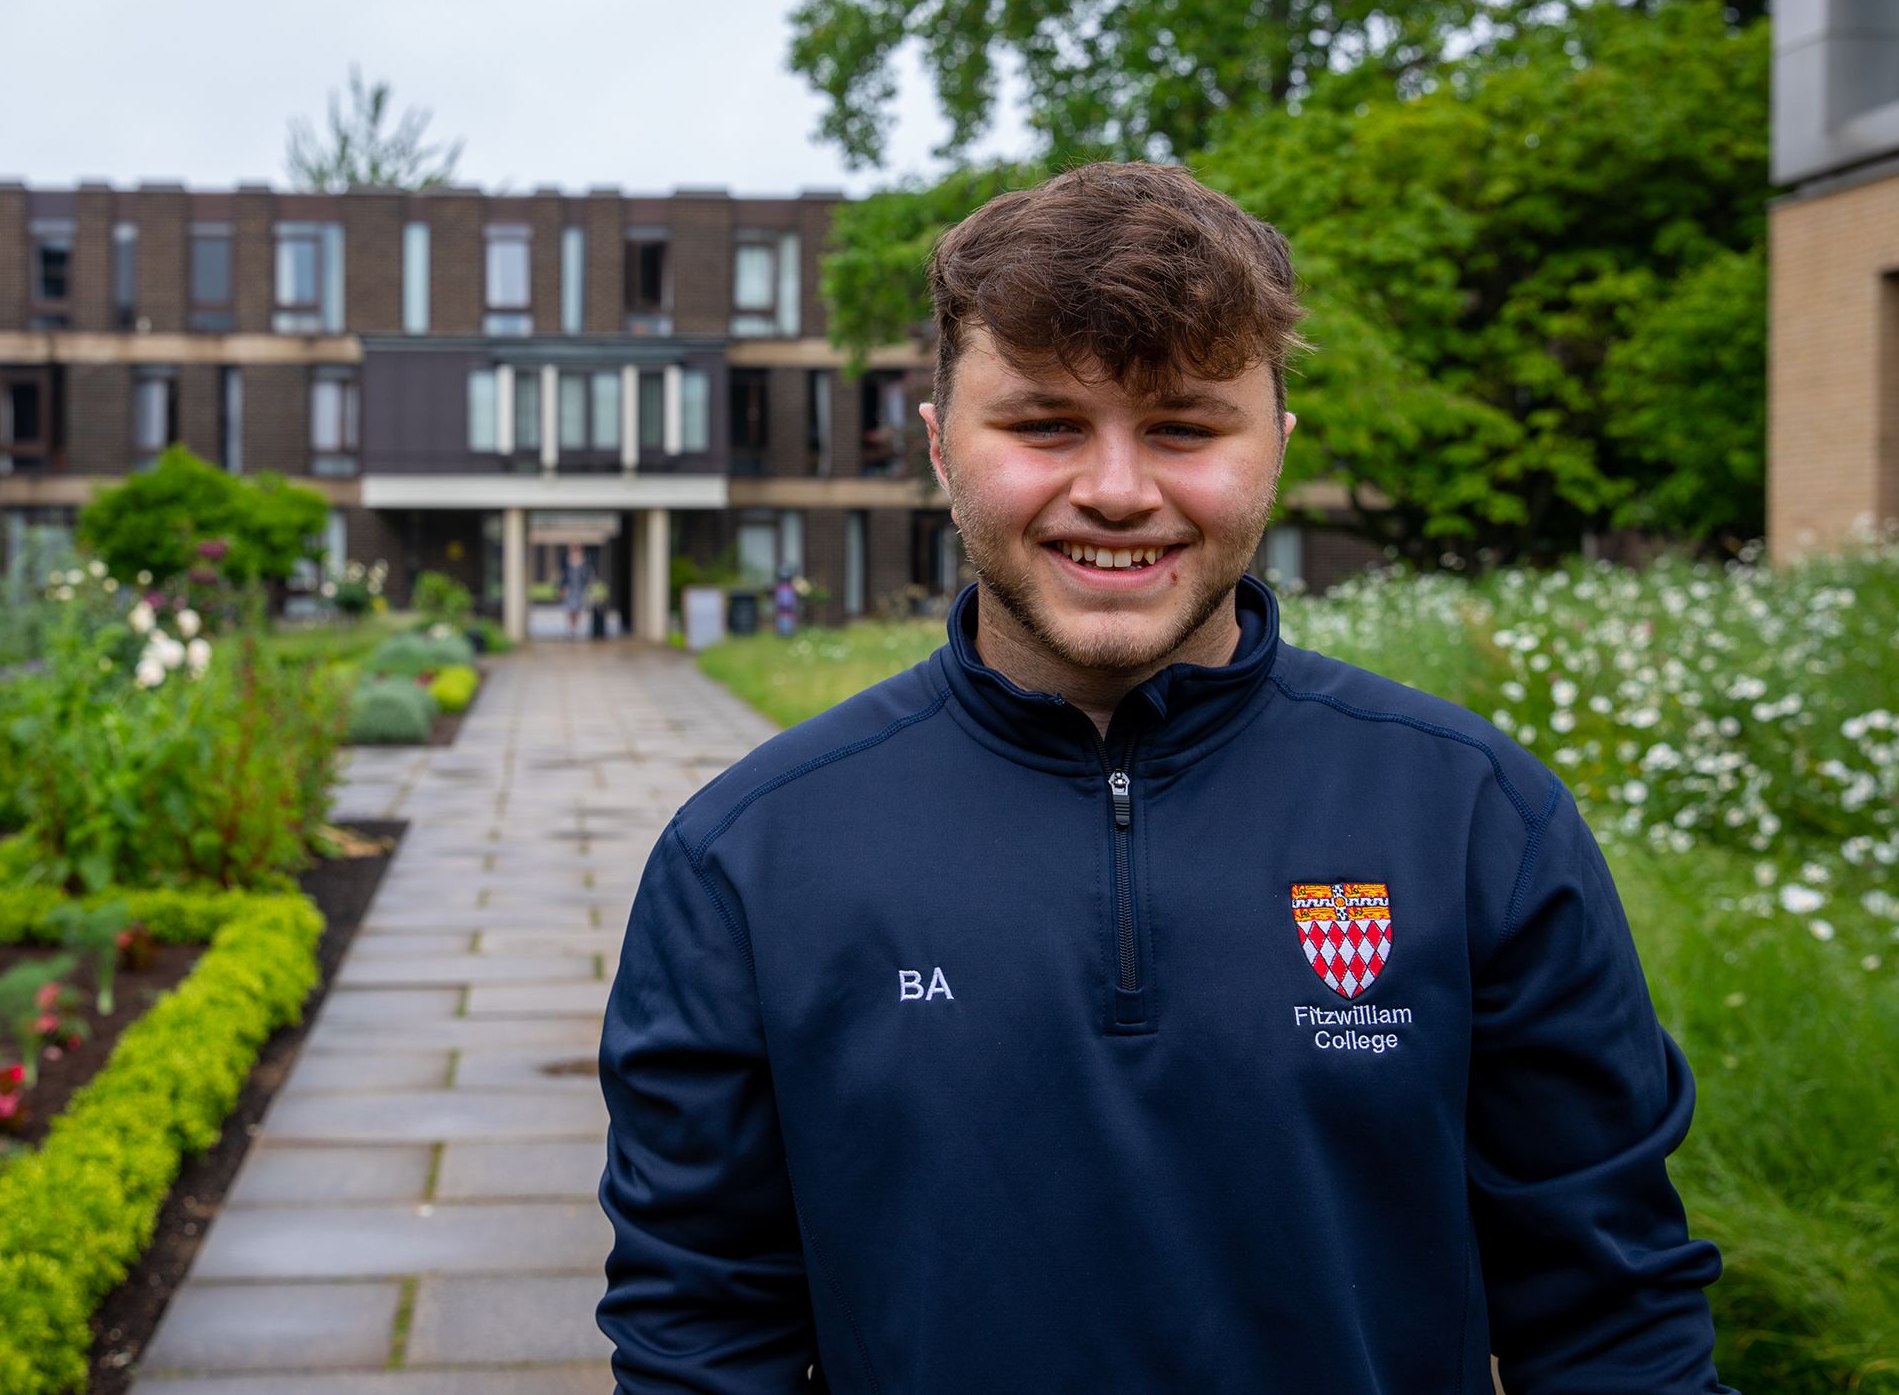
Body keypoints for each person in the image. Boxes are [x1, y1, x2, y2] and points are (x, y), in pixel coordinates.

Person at [596, 163, 1732, 1393]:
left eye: (1185, 426)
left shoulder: (1473, 821)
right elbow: (701, 1338)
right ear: (937, 445)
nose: (1118, 490)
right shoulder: (750, 857)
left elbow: (1613, 1323)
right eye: (1044, 426)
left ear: (1277, 449)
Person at [562, 545, 592, 639]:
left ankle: (575, 628)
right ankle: (571, 628)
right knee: (570, 609)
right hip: (570, 589)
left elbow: (586, 576)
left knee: (577, 609)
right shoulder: (567, 560)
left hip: (579, 589)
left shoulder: (584, 561)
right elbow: (564, 575)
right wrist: (563, 587)